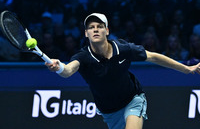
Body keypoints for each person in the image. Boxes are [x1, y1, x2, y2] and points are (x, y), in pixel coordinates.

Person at [45, 13, 200, 129]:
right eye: (91, 28)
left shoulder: (123, 48)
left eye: (99, 26)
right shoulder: (83, 56)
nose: (95, 30)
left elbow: (153, 57)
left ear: (107, 30)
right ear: (86, 33)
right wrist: (59, 67)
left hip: (133, 99)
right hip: (109, 112)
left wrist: (186, 68)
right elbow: (68, 70)